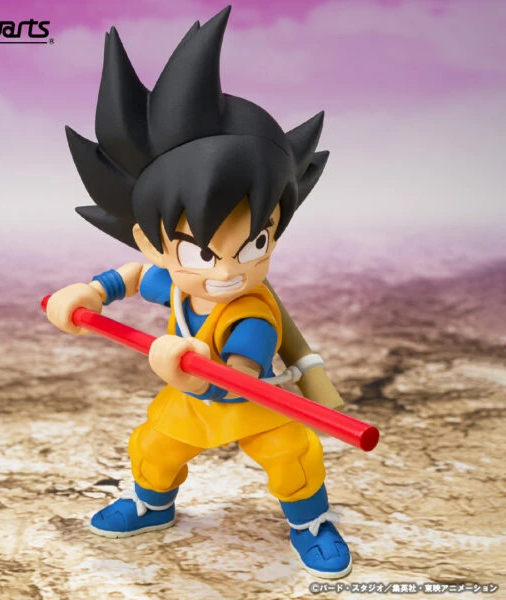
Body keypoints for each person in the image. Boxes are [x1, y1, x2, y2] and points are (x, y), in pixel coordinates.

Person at [46, 6, 351, 579]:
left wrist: (186, 373)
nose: (227, 271)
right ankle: (152, 506)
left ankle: (311, 524)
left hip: (253, 405)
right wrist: (90, 292)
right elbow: (135, 277)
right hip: (190, 400)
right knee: (154, 448)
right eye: (201, 252)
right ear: (153, 242)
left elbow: (237, 376)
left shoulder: (252, 315)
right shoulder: (177, 284)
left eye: (255, 243)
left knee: (292, 459)